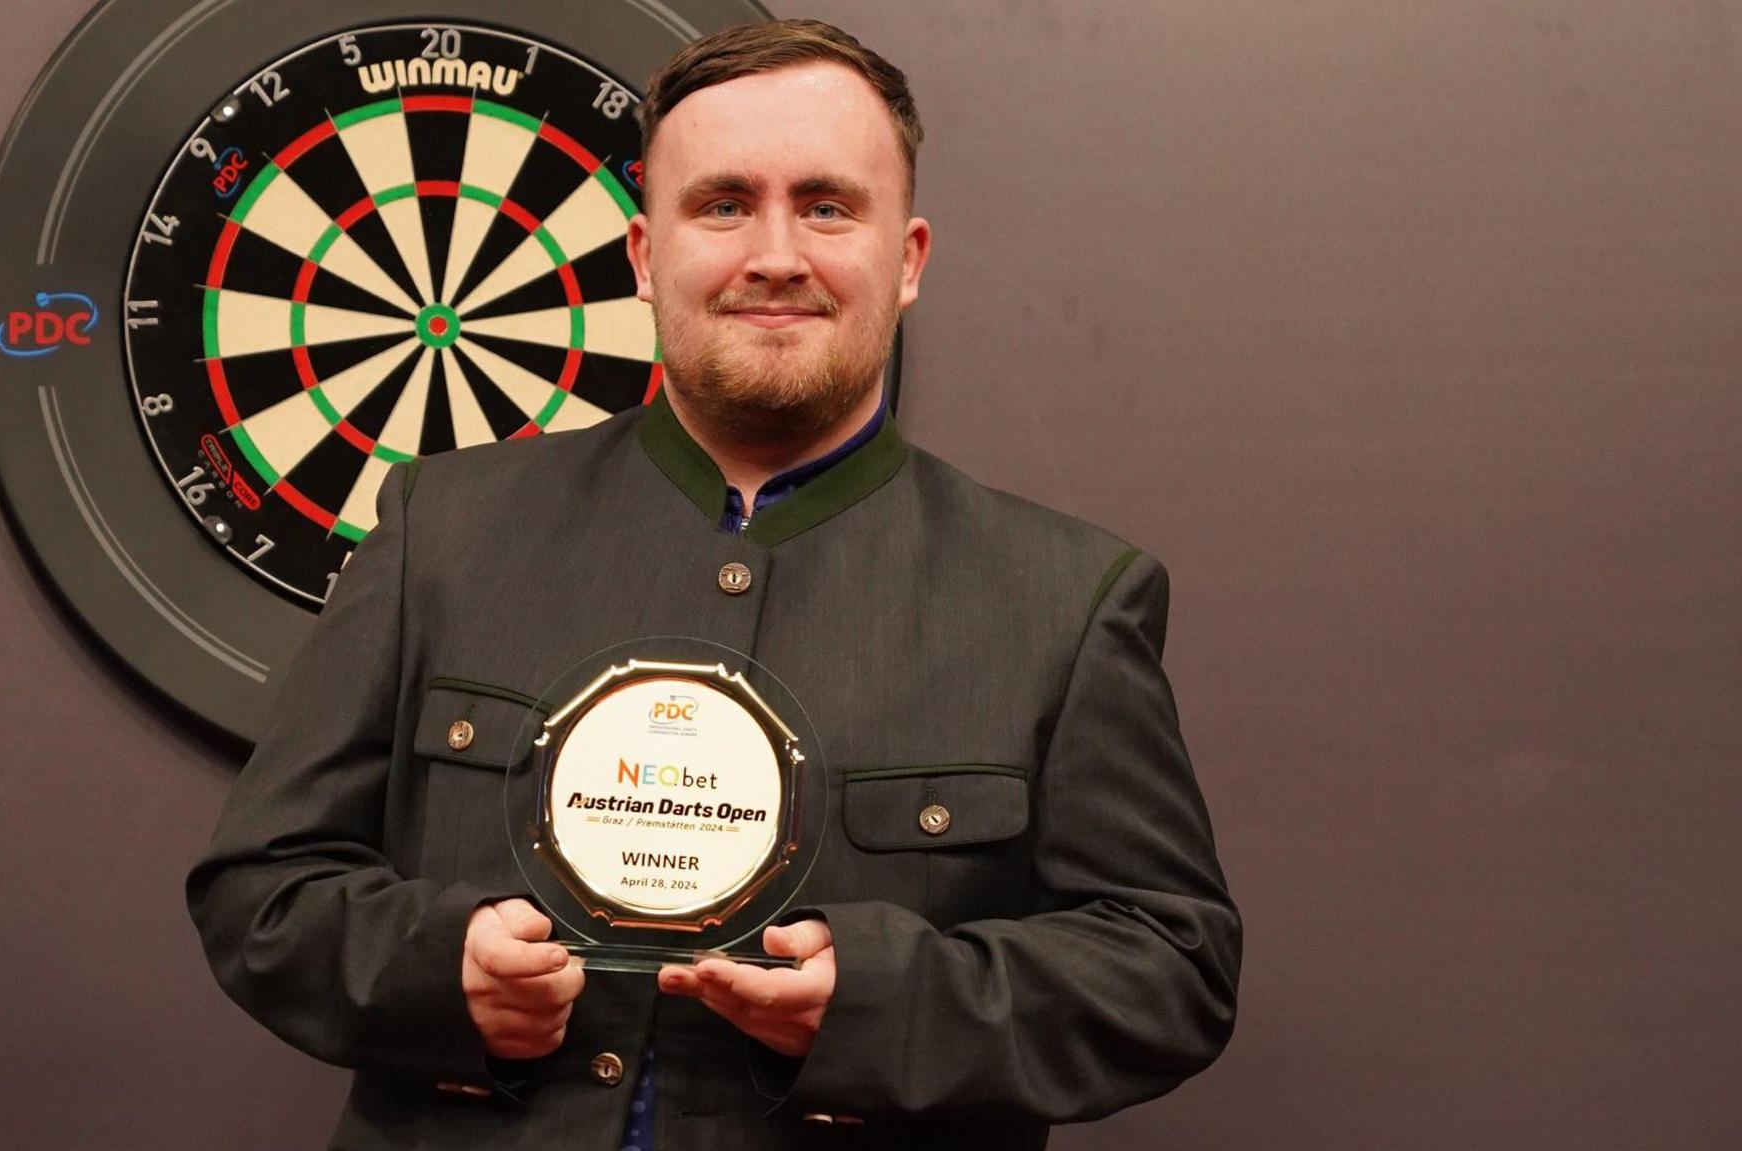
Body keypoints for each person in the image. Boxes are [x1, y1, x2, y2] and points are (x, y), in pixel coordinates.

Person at [187, 18, 1240, 1151]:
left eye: (827, 206)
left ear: (908, 258)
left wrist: (884, 1000)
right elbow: (263, 887)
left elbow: (1169, 965)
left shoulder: (1062, 597)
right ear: (645, 254)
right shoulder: (441, 528)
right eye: (723, 204)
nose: (775, 253)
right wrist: (437, 971)